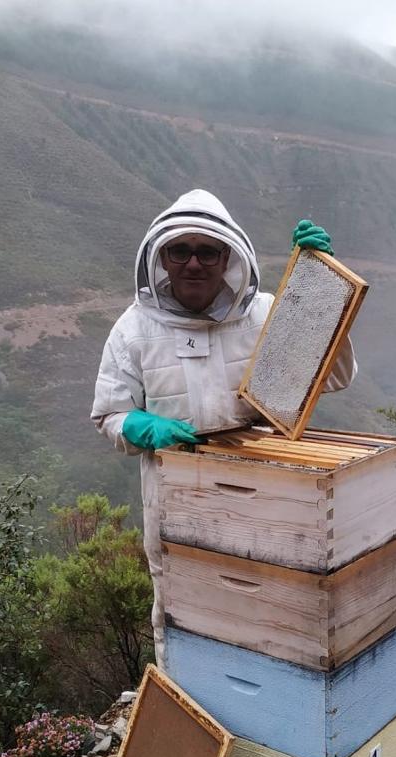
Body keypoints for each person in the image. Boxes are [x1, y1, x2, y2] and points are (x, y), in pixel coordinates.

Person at [91, 190, 357, 670]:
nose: (193, 264)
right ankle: (193, 710)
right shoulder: (133, 331)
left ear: (228, 257)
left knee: (274, 604)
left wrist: (320, 295)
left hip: (268, 487)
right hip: (178, 496)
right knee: (183, 611)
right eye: (180, 251)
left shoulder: (262, 314)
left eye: (207, 251)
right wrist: (141, 424)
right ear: (161, 258)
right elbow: (109, 414)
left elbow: (333, 377)